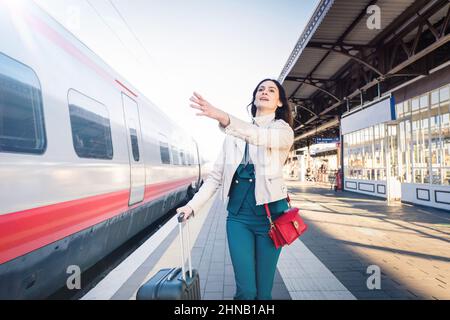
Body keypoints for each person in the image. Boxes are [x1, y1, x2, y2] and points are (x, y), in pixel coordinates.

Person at [176, 79, 294, 300]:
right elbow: (215, 178)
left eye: (271, 90)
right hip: (238, 219)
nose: (265, 92)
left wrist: (224, 117)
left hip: (271, 219)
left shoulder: (282, 131)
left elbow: (257, 135)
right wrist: (191, 207)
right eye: (260, 89)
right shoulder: (233, 136)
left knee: (263, 292)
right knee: (246, 291)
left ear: (279, 103)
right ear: (254, 98)